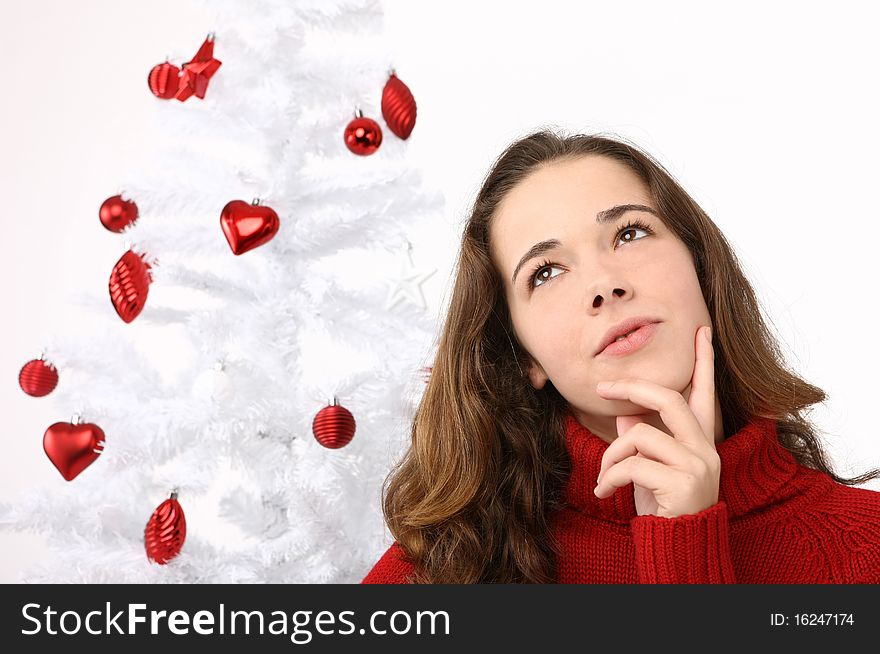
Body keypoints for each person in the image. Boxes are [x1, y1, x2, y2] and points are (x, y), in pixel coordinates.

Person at [361, 129, 880, 583]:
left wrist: (683, 549)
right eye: (546, 271)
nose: (604, 286)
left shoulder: (866, 547)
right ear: (524, 356)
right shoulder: (441, 574)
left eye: (629, 233)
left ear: (701, 265)